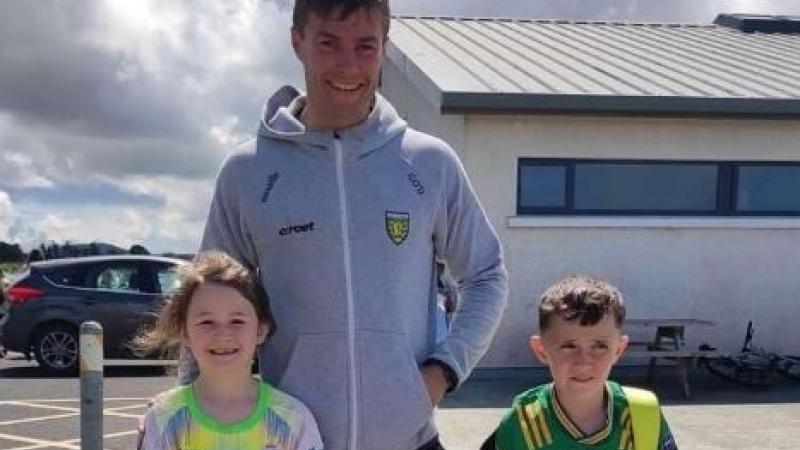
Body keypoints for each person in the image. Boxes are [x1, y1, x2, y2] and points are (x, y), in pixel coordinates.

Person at [186, 1, 509, 449]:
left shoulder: (430, 163)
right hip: (289, 440)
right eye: (329, 43)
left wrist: (443, 372)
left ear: (385, 48)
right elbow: (203, 300)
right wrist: (184, 412)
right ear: (297, 40)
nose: (348, 65)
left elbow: (487, 276)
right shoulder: (247, 172)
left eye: (365, 46)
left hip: (409, 439)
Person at [136, 251, 324, 450]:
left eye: (237, 321)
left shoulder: (293, 418)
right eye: (207, 321)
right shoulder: (164, 419)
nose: (223, 334)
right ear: (184, 332)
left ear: (260, 330)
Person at [482, 276, 677, 450]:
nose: (583, 363)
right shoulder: (522, 424)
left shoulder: (642, 414)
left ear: (619, 349)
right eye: (568, 346)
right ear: (541, 350)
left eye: (599, 346)